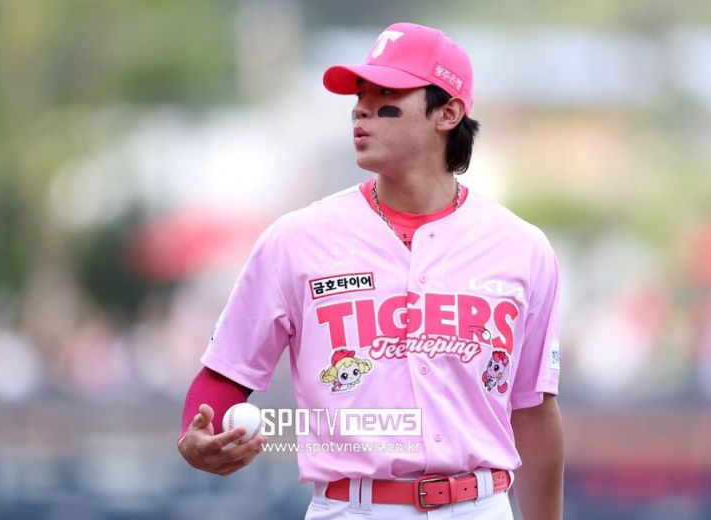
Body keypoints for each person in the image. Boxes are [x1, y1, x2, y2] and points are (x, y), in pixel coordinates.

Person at [178, 22, 564, 519]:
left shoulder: (522, 248)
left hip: (479, 504)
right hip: (352, 506)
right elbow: (224, 376)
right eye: (360, 97)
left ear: (448, 112)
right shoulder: (295, 240)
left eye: (387, 97)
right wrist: (198, 433)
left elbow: (533, 410)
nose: (361, 110)